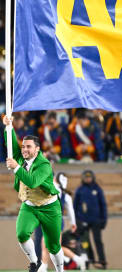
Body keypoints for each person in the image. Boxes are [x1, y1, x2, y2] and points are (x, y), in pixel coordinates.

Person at [3, 115, 64, 272]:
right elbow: (11, 144)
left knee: (53, 246)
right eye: (23, 146)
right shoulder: (20, 157)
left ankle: (60, 270)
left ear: (37, 149)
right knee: (22, 234)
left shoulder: (44, 164)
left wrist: (16, 168)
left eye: (28, 147)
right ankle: (34, 263)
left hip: (49, 207)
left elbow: (33, 182)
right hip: (29, 206)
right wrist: (8, 127)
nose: (24, 149)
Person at [39, 172, 86, 272]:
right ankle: (47, 266)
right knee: (52, 246)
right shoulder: (65, 194)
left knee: (49, 246)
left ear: (55, 179)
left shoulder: (51, 188)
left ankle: (46, 266)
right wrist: (73, 223)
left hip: (51, 219)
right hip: (53, 220)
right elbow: (71, 211)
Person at [74, 170, 107, 269]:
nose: (88, 179)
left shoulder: (97, 189)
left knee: (98, 241)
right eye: (86, 177)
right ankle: (88, 261)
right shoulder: (79, 190)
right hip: (83, 221)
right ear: (83, 178)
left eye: (89, 177)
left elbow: (103, 205)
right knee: (85, 242)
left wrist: (104, 219)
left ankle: (102, 261)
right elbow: (74, 207)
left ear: (92, 177)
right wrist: (77, 221)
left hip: (96, 220)